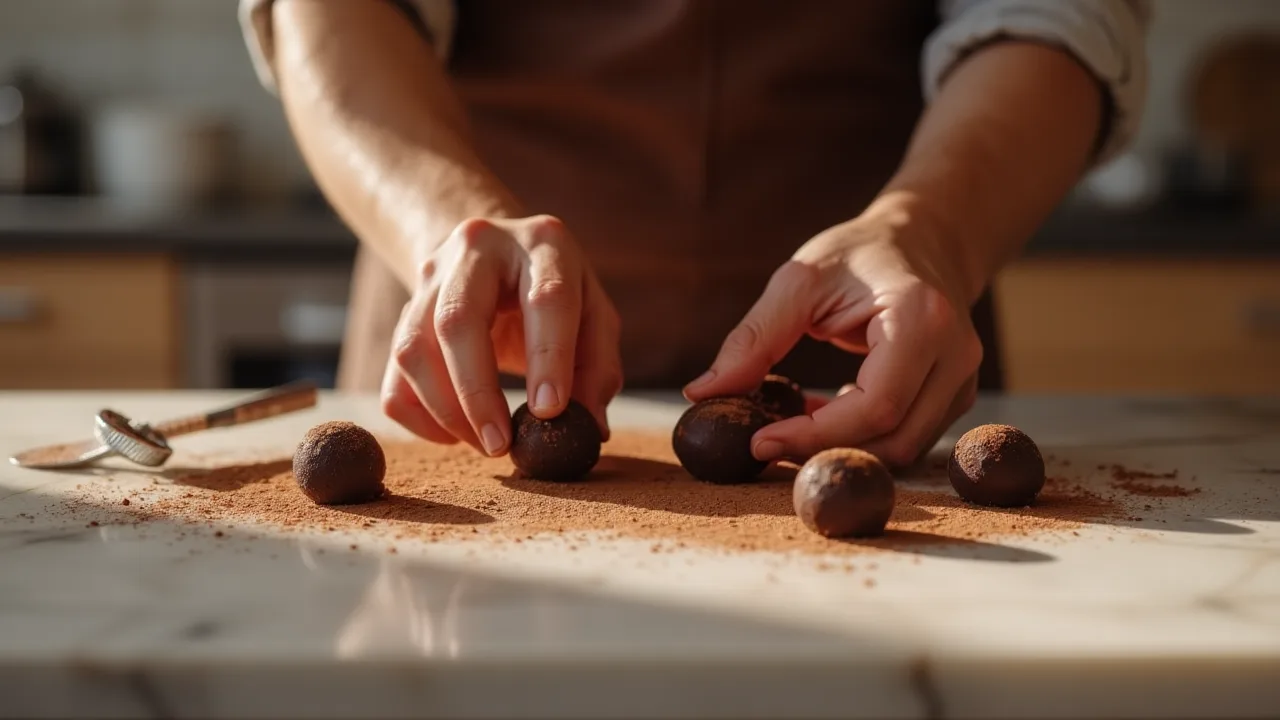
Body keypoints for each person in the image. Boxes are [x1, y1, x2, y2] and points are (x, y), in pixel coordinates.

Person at [240, 0, 1148, 468]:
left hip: (875, 354)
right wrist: (440, 215)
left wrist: (930, 232)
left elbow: (1055, 14)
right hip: (474, 344)